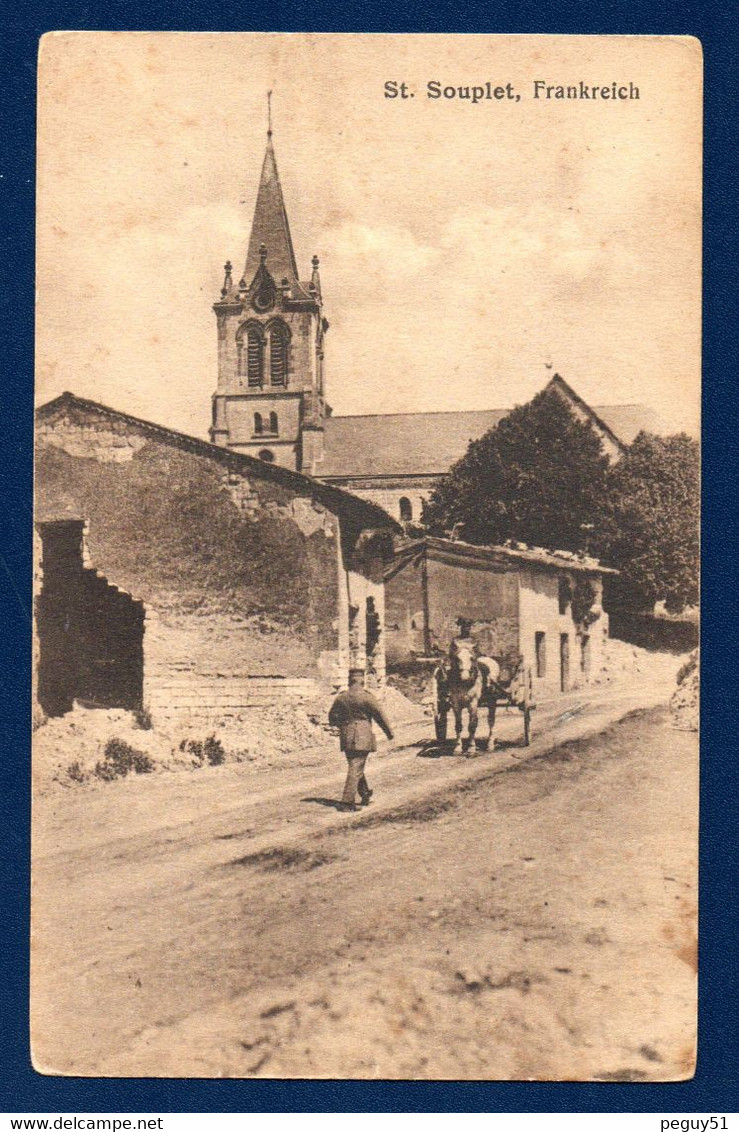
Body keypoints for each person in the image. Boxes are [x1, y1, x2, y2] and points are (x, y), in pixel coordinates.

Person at [328, 667, 394, 812]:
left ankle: (365, 794)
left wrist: (343, 725)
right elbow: (380, 716)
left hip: (346, 736)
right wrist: (389, 733)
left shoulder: (341, 697)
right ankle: (347, 802)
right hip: (362, 736)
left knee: (355, 766)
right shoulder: (366, 697)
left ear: (349, 680)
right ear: (362, 680)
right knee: (356, 767)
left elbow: (332, 716)